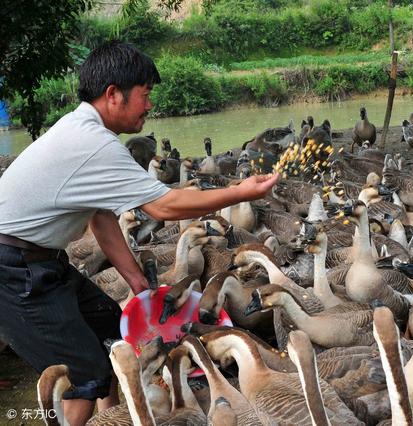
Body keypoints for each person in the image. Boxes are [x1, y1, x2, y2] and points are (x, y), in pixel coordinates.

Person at [0, 42, 278, 425]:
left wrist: (138, 284)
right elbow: (162, 207)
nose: (149, 105)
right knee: (85, 374)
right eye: (145, 96)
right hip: (14, 269)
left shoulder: (79, 129)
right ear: (113, 94)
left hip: (40, 260)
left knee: (110, 333)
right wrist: (243, 191)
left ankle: (113, 418)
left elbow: (101, 216)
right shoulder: (93, 144)